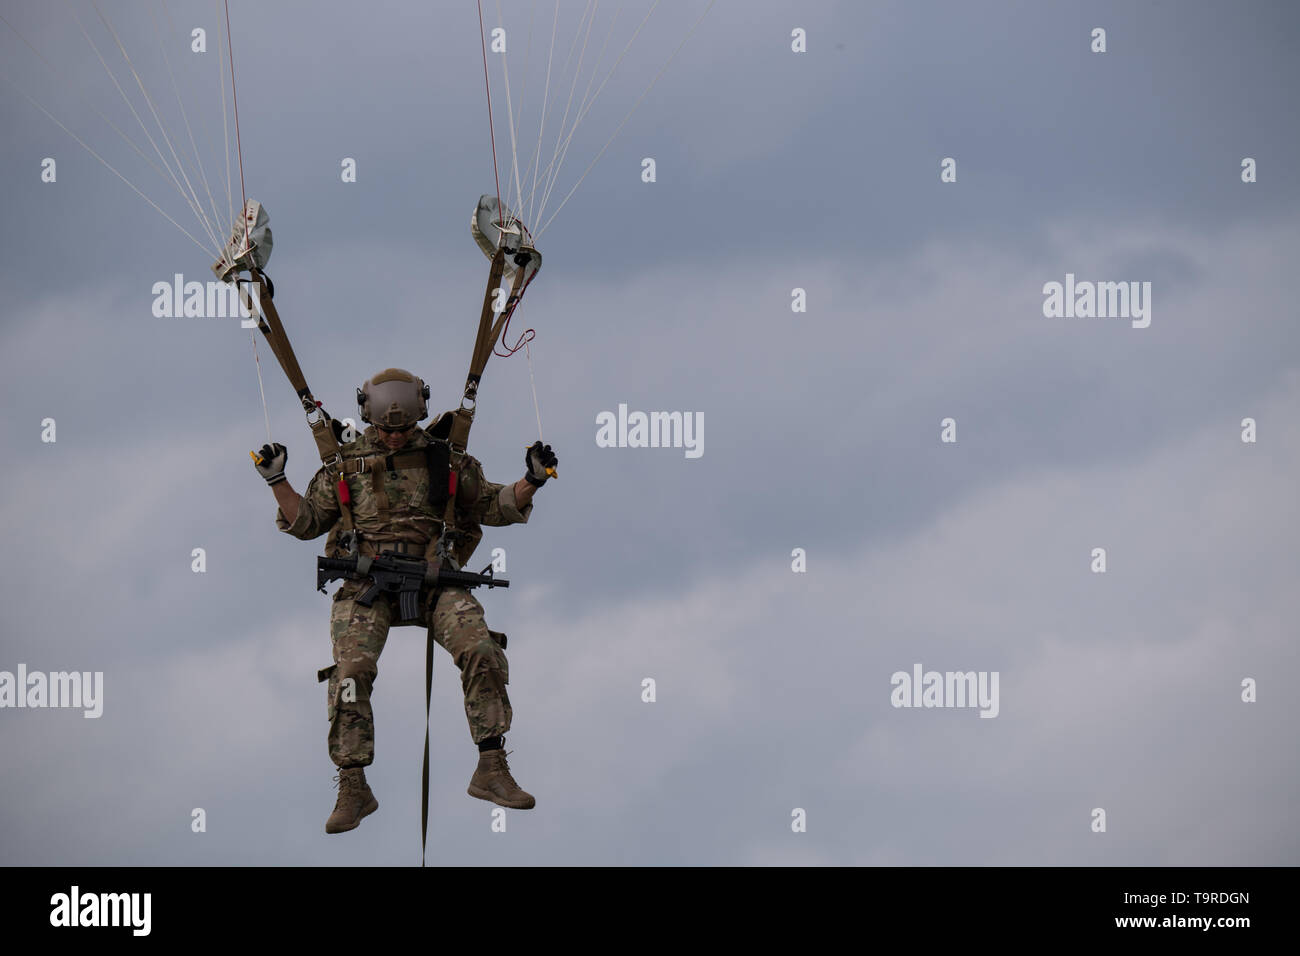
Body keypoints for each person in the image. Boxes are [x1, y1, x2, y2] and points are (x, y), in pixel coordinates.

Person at [252, 367, 557, 834]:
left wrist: (532, 479)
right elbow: (307, 522)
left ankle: (491, 767)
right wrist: (277, 480)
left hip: (435, 580)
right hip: (365, 584)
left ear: (419, 417)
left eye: (403, 428)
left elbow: (495, 505)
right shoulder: (345, 464)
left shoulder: (445, 460)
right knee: (351, 671)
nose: (394, 437)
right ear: (368, 419)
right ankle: (353, 784)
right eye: (386, 429)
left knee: (479, 647)